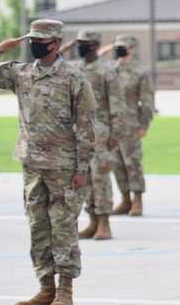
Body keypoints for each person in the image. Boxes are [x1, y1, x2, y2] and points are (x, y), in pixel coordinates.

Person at [0, 20, 96, 305]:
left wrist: (81, 169)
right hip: (32, 164)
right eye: (32, 39)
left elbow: (86, 126)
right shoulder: (20, 73)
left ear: (56, 43)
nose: (35, 44)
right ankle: (45, 289)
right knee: (38, 227)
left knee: (63, 227)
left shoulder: (73, 78)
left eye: (41, 40)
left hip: (64, 166)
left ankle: (65, 292)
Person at [63, 30, 124, 241]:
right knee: (84, 178)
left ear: (95, 46)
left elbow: (117, 104)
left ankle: (104, 222)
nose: (81, 46)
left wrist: (115, 133)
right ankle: (92, 220)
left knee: (100, 177)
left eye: (86, 44)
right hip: (78, 134)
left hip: (101, 133)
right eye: (79, 43)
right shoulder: (75, 69)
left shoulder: (107, 71)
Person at [109, 35, 154, 216]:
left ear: (132, 49)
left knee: (132, 163)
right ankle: (125, 199)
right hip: (112, 126)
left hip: (130, 125)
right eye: (117, 46)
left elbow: (147, 101)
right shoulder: (110, 69)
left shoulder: (139, 72)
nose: (119, 49)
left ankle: (138, 200)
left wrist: (144, 125)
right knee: (116, 164)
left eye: (124, 46)